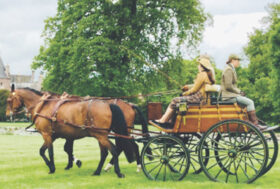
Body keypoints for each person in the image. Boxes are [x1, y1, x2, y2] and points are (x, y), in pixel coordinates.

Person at [150, 57, 215, 128]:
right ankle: (170, 122)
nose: (198, 66)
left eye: (199, 65)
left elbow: (194, 89)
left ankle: (163, 121)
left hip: (197, 98)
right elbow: (197, 86)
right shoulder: (206, 75)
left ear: (202, 66)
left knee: (175, 100)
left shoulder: (202, 74)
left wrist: (184, 94)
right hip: (202, 99)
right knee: (178, 102)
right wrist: (187, 87)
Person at [221, 54, 278, 132]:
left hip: (232, 96)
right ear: (233, 60)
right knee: (250, 102)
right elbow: (228, 86)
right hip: (228, 97)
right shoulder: (228, 69)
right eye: (238, 60)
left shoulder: (231, 69)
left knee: (246, 102)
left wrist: (239, 92)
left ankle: (252, 124)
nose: (239, 62)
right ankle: (255, 126)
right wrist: (239, 92)